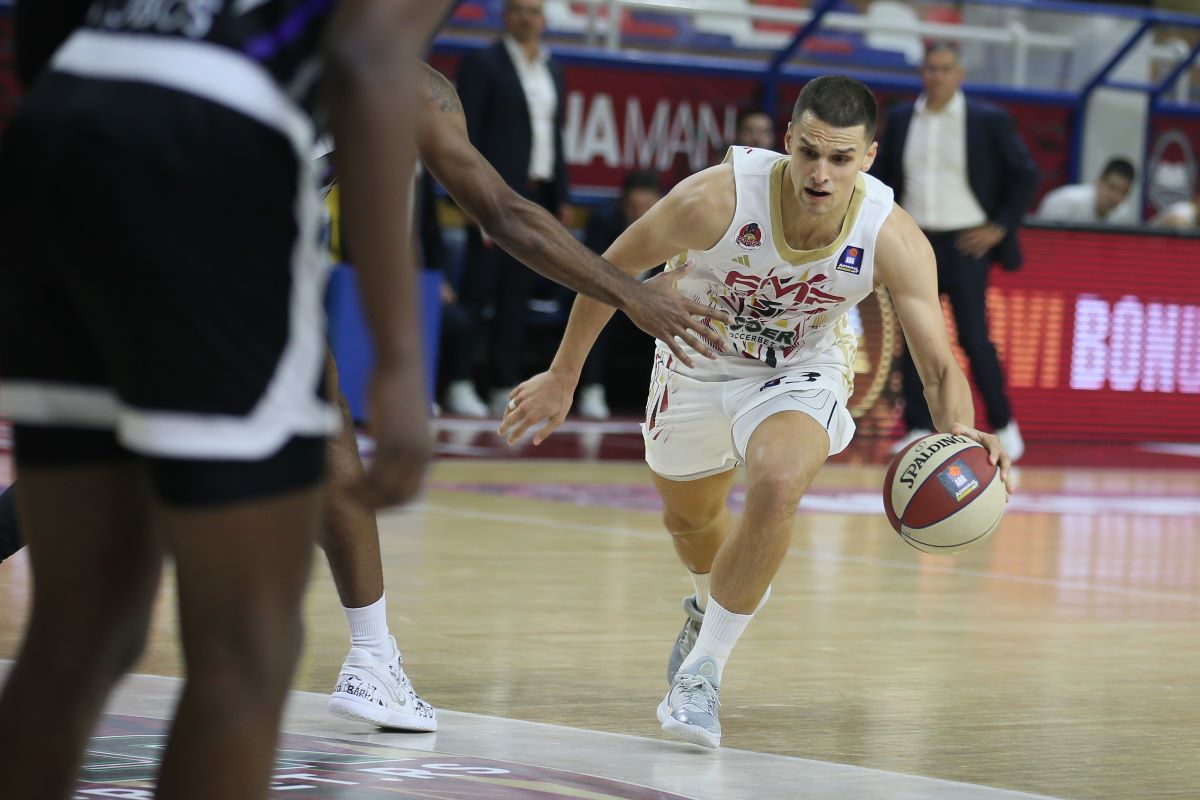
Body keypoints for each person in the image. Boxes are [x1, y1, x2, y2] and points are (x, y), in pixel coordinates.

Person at [0, 54, 726, 749]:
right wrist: (630, 292)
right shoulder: (409, 86)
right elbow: (502, 215)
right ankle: (370, 660)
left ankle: (372, 657)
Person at [0, 3, 450, 800]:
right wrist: (402, 363)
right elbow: (377, 69)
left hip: (59, 136)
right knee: (247, 648)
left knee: (82, 627)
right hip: (204, 165)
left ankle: (374, 659)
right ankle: (373, 662)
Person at [499, 76, 1014, 750]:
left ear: (869, 157)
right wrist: (564, 375)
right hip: (697, 355)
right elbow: (609, 272)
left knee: (776, 484)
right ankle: (705, 603)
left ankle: (702, 673)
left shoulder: (892, 237)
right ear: (787, 143)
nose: (821, 173)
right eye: (809, 153)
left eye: (840, 158)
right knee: (691, 521)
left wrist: (960, 438)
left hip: (801, 370)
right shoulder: (714, 199)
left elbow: (939, 366)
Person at [870, 41, 1036, 462]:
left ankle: (1003, 424)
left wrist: (997, 227)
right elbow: (884, 178)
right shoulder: (902, 118)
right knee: (913, 336)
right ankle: (919, 428)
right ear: (921, 72)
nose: (937, 76)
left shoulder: (988, 120)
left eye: (945, 69)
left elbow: (1024, 175)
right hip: (913, 240)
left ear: (960, 74)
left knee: (973, 337)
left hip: (966, 244)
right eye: (930, 69)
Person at [444, 0, 571, 418]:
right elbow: (463, 134)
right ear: (504, 15)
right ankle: (460, 380)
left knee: (516, 297)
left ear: (544, 18)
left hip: (537, 198)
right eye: (518, 9)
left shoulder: (553, 69)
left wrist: (562, 196)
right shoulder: (483, 64)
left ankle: (503, 384)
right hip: (491, 198)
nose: (526, 17)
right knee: (478, 293)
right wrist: (468, 197)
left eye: (534, 10)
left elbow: (555, 134)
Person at [575, 170, 666, 419]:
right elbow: (591, 270)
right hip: (608, 298)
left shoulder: (671, 227)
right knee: (594, 319)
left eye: (647, 207)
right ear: (623, 203)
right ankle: (591, 390)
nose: (640, 214)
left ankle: (662, 396)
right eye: (634, 207)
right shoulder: (603, 222)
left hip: (651, 303)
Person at [1035, 157, 1137, 225]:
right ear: (1099, 182)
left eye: (1123, 192)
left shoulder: (1123, 213)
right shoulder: (1065, 201)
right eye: (1112, 188)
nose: (1116, 197)